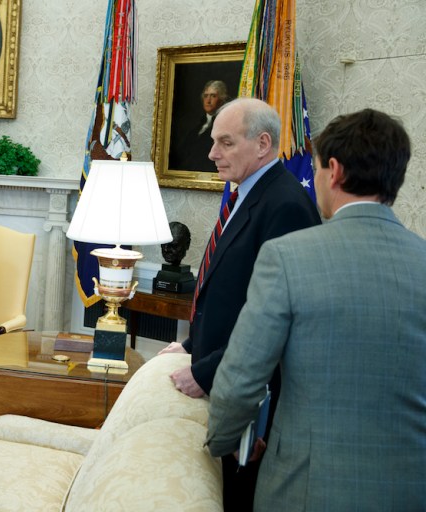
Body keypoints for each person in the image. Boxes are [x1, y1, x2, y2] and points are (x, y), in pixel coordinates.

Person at [206, 109, 426, 511]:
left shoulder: (288, 257)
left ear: (334, 171)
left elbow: (241, 378)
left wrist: (224, 441)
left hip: (304, 490)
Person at [158, 98, 321, 510]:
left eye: (225, 143)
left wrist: (208, 371)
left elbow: (278, 320)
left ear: (262, 144)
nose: (213, 154)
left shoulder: (285, 205)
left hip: (252, 400)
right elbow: (231, 291)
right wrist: (192, 346)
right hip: (225, 378)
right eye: (214, 142)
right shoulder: (246, 194)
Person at [171, 80, 229, 172]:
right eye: (206, 96)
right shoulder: (196, 126)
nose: (208, 100)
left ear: (222, 100)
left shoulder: (226, 125)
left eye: (213, 96)